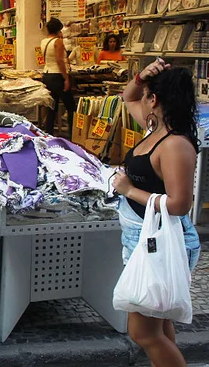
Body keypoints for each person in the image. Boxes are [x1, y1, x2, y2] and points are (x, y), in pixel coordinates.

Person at [113, 58, 201, 367]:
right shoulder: (157, 130)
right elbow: (129, 96)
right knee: (159, 326)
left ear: (156, 100)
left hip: (161, 243)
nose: (142, 98)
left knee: (143, 332)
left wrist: (128, 190)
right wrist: (141, 76)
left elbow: (179, 204)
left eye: (148, 92)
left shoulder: (174, 144)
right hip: (146, 240)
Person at [41, 18, 75, 137]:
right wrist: (66, 78)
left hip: (46, 75)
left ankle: (49, 133)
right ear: (58, 29)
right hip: (57, 76)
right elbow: (60, 61)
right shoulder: (58, 42)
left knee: (52, 107)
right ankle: (73, 134)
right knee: (71, 106)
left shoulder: (44, 41)